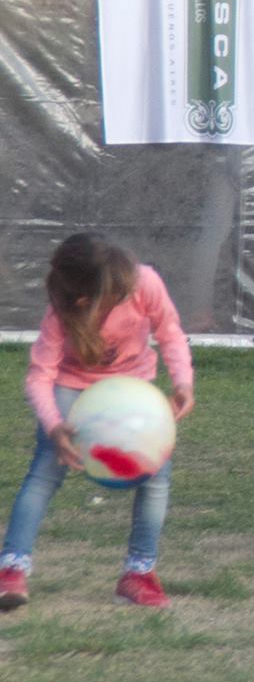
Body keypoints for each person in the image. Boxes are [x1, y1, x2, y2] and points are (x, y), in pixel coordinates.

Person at [0, 234, 195, 611]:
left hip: (132, 391)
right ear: (84, 300)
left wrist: (184, 383)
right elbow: (40, 376)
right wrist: (55, 426)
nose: (125, 298)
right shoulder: (62, 312)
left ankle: (138, 574)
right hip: (72, 390)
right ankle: (12, 567)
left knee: (157, 474)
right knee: (45, 471)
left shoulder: (144, 282)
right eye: (115, 296)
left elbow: (170, 333)